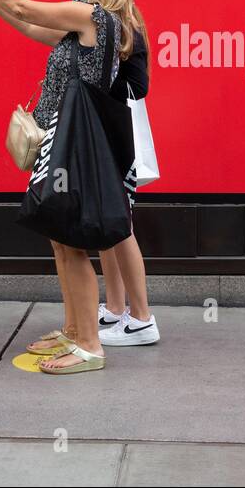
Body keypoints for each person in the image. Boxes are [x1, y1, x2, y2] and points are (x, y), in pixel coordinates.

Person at [0, 0, 143, 374]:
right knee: (61, 239)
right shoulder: (83, 27)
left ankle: (89, 346)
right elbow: (26, 22)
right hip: (60, 143)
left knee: (72, 242)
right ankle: (74, 330)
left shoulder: (95, 19)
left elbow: (25, 5)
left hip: (72, 146)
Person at [97, 25, 160, 347]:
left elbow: (138, 85)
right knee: (109, 224)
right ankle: (115, 308)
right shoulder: (114, 25)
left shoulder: (122, 28)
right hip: (109, 134)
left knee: (120, 223)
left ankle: (140, 318)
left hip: (117, 138)